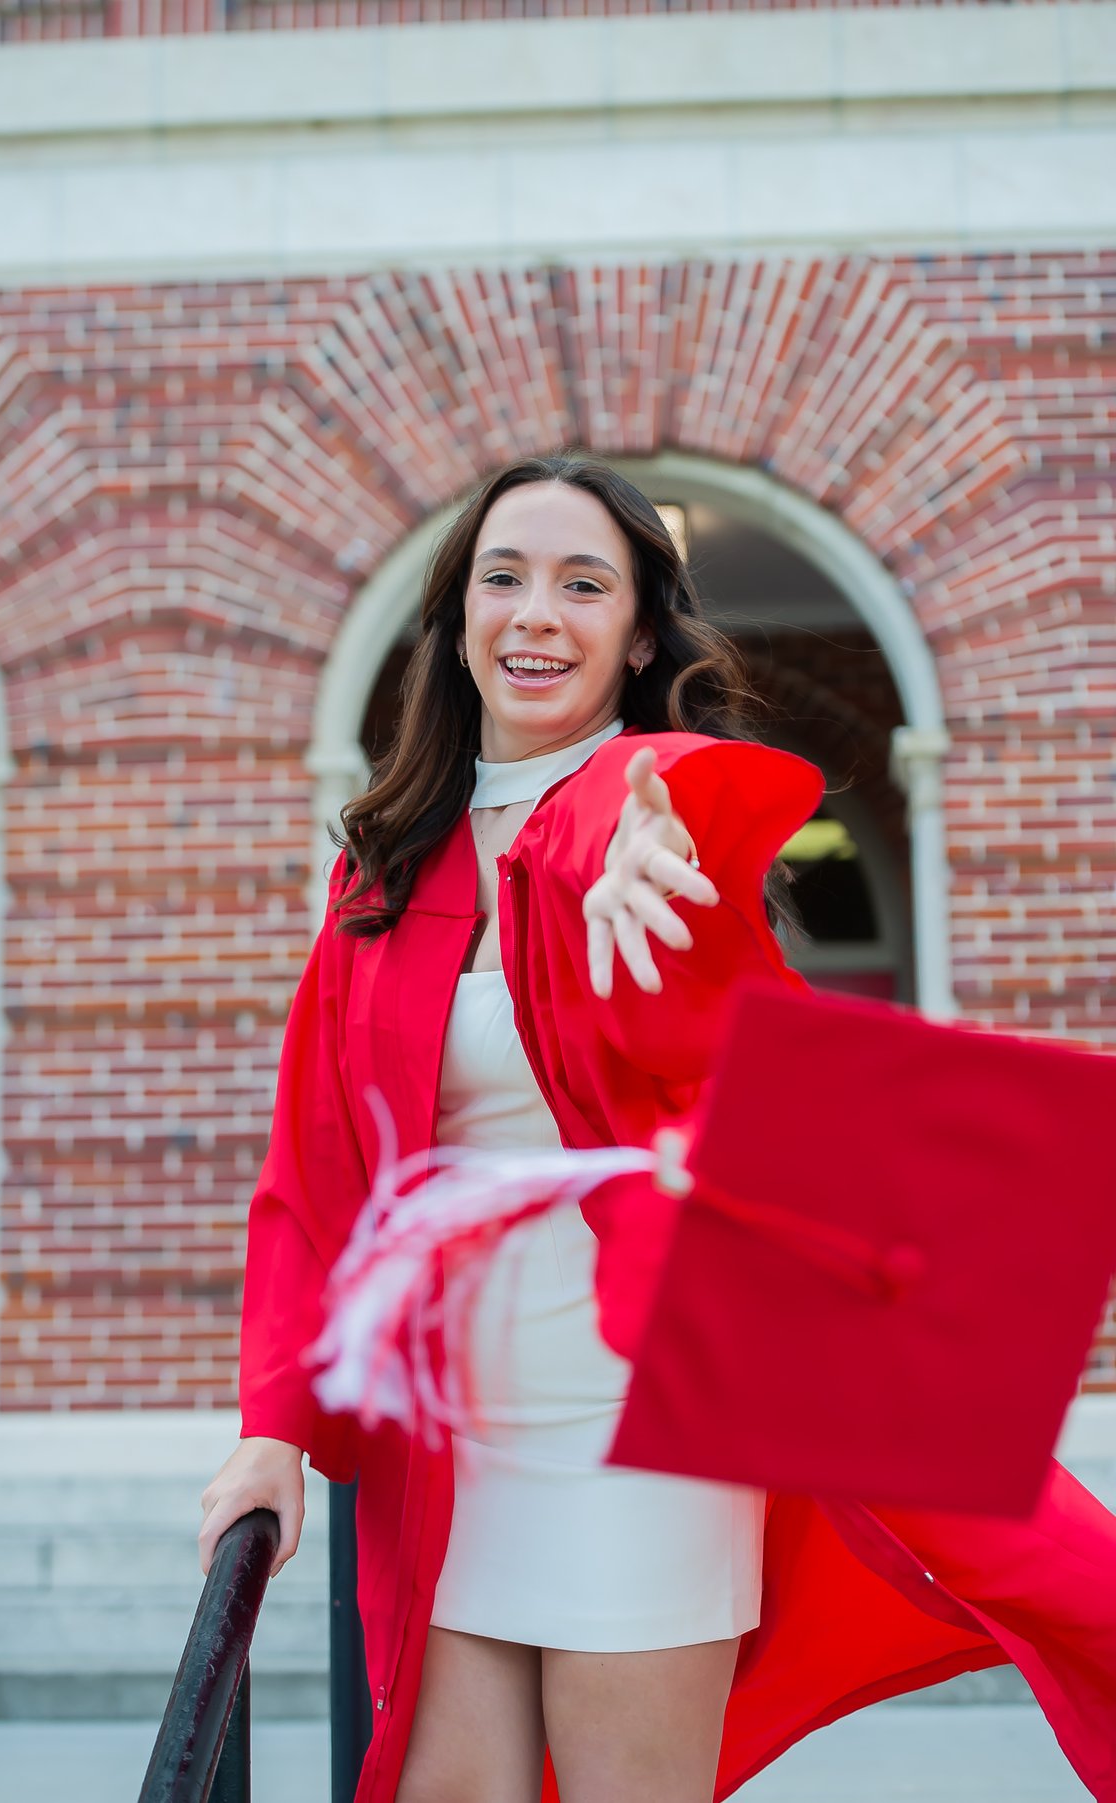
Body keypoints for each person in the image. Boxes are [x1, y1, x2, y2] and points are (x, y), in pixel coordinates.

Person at [200, 454, 1116, 1803]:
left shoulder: (648, 812)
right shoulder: (383, 870)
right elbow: (313, 1175)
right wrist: (270, 1427)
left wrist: (640, 845)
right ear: (457, 619)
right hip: (456, 1442)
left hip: (642, 1423)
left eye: (585, 585)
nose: (536, 614)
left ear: (638, 637)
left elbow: (641, 822)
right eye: (503, 578)